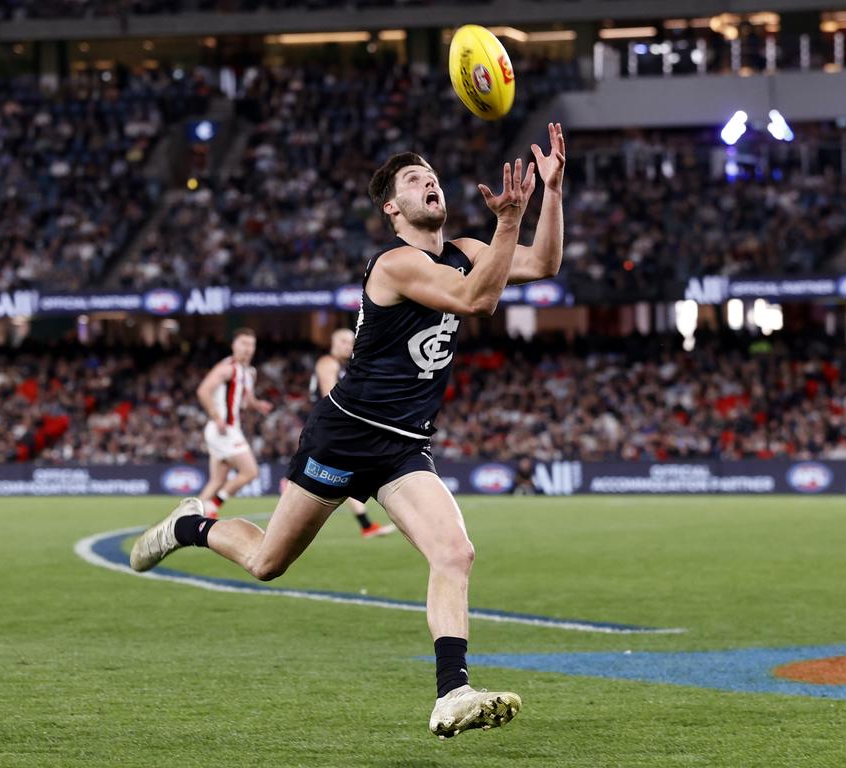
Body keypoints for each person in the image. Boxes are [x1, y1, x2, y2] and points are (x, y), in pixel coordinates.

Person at [131, 124, 566, 739]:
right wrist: (508, 222)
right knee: (266, 562)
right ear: (393, 208)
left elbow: (543, 264)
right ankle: (189, 525)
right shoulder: (395, 263)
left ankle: (452, 692)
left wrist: (550, 193)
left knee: (454, 552)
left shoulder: (467, 249)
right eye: (414, 180)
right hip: (345, 434)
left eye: (432, 175)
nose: (429, 182)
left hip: (403, 444)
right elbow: (475, 301)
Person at [310, 328, 397, 539]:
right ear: (332, 342)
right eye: (342, 341)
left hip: (333, 430)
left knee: (348, 477)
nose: (348, 345)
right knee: (347, 477)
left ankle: (367, 526)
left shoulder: (344, 366)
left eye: (351, 341)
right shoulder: (328, 363)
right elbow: (330, 398)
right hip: (329, 430)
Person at [195, 327, 273, 518]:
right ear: (233, 346)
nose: (248, 348)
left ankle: (186, 519)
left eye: (251, 344)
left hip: (226, 429)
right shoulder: (227, 368)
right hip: (224, 429)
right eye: (243, 344)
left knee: (217, 481)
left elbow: (247, 399)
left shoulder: (249, 372)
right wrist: (217, 416)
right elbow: (203, 391)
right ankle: (213, 505)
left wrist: (257, 404)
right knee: (251, 472)